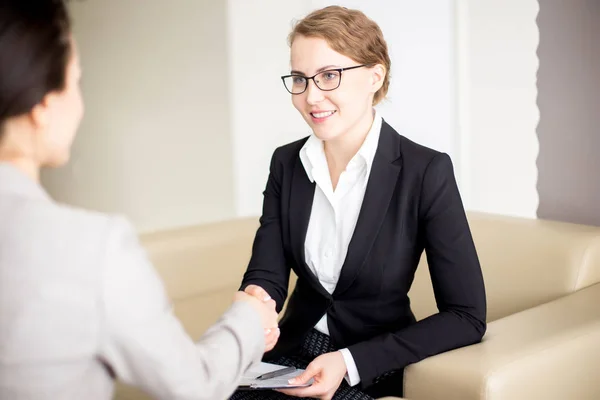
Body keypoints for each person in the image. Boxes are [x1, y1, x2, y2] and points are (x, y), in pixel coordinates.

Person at [0, 1, 279, 399]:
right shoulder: (92, 247)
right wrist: (249, 319)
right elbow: (192, 387)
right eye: (75, 81)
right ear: (42, 106)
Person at [231, 5, 487, 400]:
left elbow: (467, 316)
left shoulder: (425, 171)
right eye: (300, 79)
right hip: (290, 357)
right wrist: (256, 303)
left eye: (329, 76)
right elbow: (268, 270)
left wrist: (349, 361)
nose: (311, 96)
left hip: (370, 366)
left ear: (375, 76)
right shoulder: (286, 163)